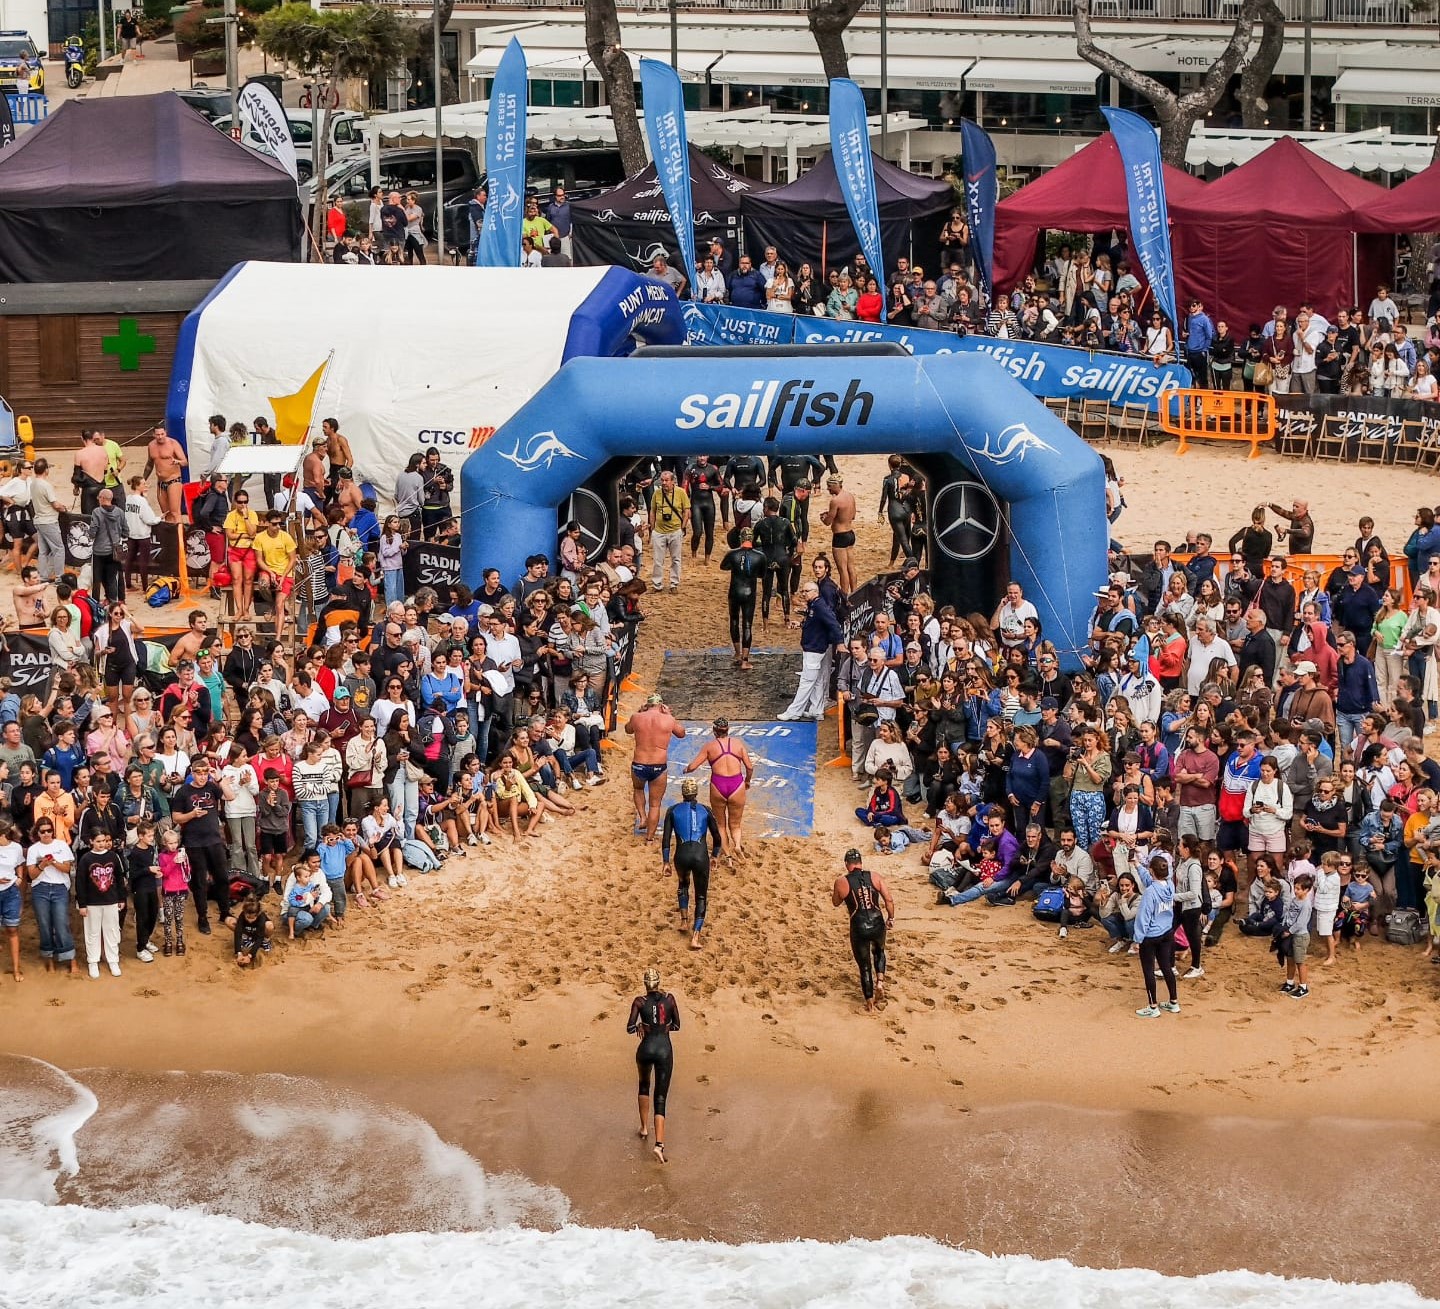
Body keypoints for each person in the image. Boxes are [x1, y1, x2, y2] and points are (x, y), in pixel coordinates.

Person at [661, 777, 722, 951]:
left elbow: (666, 839)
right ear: (696, 793)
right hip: (700, 855)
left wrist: (665, 861)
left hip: (681, 855)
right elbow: (717, 837)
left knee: (683, 884)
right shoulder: (706, 810)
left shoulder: (672, 810)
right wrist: (715, 855)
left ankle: (683, 921)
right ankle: (695, 937)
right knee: (701, 896)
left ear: (683, 793)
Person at [627, 965, 680, 1163]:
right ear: (658, 983)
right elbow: (676, 1025)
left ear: (645, 984)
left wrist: (643, 1025)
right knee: (660, 1097)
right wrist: (661, 1027)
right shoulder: (670, 1000)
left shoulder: (639, 1002)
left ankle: (643, 1128)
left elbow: (630, 1027)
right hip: (664, 1050)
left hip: (645, 1049)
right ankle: (659, 1145)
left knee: (643, 1086)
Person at [832, 848, 894, 1012]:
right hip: (877, 921)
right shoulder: (874, 876)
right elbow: (888, 899)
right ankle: (880, 982)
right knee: (879, 951)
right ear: (860, 863)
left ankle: (869, 1002)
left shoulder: (842, 882)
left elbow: (836, 902)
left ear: (847, 865)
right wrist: (891, 918)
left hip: (859, 924)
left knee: (864, 966)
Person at [684, 717, 754, 856]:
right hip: (736, 784)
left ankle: (727, 854)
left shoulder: (710, 746)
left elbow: (693, 766)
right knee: (735, 824)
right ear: (728, 730)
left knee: (721, 824)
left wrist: (686, 770)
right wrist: (747, 781)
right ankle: (738, 845)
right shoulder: (737, 744)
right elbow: (750, 767)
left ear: (714, 731)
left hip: (718, 785)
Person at [778, 580, 844, 722]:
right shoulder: (815, 605)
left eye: (806, 591)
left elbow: (833, 622)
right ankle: (816, 710)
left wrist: (839, 642)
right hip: (814, 647)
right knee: (818, 679)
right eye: (802, 591)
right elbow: (814, 622)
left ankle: (794, 711)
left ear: (815, 592)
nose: (803, 594)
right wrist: (801, 623)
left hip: (814, 649)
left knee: (806, 681)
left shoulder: (819, 606)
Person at [625, 693, 684, 842]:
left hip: (639, 763)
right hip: (658, 765)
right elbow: (681, 733)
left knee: (638, 789)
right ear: (661, 706)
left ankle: (642, 817)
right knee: (655, 804)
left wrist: (639, 712)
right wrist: (670, 715)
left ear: (647, 704)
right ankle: (649, 838)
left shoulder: (637, 717)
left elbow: (628, 729)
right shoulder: (668, 719)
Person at [75, 828, 128, 979]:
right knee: (92, 932)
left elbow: (119, 878)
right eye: (98, 841)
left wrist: (121, 898)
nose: (102, 844)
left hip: (111, 900)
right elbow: (80, 883)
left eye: (104, 841)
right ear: (91, 841)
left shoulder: (113, 856)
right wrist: (82, 904)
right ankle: (93, 961)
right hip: (92, 902)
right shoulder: (86, 859)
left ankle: (113, 960)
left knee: (111, 931)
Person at [1133, 853, 1178, 1019]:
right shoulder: (1170, 885)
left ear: (1151, 870)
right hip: (1166, 932)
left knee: (1148, 971)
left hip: (1150, 936)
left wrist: (1137, 939)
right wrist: (1138, 865)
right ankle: (1173, 1002)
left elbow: (1143, 917)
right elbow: (1151, 880)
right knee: (1166, 967)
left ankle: (1153, 1006)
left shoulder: (1150, 893)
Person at [718, 528, 764, 671]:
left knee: (734, 620)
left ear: (740, 539)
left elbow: (723, 566)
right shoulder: (760, 556)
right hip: (749, 591)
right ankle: (745, 660)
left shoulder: (732, 554)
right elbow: (761, 574)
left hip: (735, 590)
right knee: (747, 624)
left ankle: (737, 653)